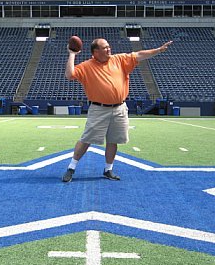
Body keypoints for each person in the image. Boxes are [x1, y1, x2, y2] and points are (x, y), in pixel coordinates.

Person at [62, 38, 173, 182]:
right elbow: (69, 75)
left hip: (120, 108)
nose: (109, 49)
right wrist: (72, 54)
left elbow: (139, 55)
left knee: (113, 140)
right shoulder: (87, 66)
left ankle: (108, 169)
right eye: (105, 48)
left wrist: (158, 50)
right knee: (87, 139)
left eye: (108, 46)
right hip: (99, 109)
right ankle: (71, 168)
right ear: (96, 52)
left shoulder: (119, 59)